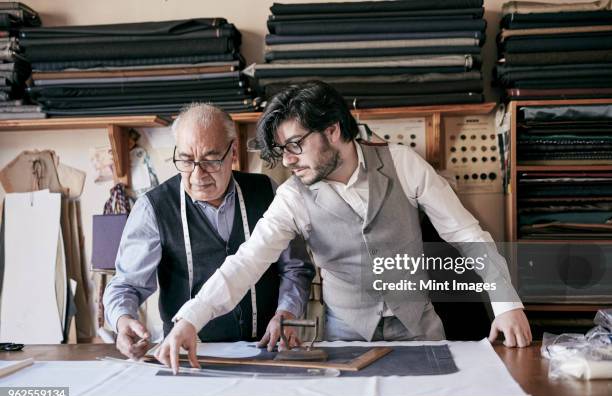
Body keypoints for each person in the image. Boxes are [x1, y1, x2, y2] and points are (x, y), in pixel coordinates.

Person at [154, 82, 532, 373]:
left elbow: (465, 234)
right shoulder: (292, 196)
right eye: (282, 150)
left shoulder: (401, 163)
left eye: (296, 145)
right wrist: (191, 318)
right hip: (346, 340)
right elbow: (246, 262)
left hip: (421, 332)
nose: (287, 160)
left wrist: (506, 303)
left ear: (333, 130)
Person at [103, 102, 315, 360]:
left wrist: (287, 314)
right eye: (186, 160)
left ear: (233, 151)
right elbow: (126, 284)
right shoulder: (153, 208)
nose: (197, 174)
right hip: (188, 355)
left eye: (211, 160)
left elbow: (295, 268)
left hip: (265, 350)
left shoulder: (267, 192)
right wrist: (123, 320)